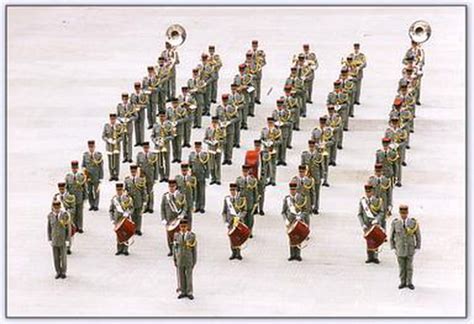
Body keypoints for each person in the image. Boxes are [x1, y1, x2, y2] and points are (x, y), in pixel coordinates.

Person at [390, 205, 421, 290]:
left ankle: (409, 282)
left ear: (407, 213)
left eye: (405, 213)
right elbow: (391, 236)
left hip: (410, 248)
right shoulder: (395, 223)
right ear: (400, 213)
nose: (403, 215)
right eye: (402, 213)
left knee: (409, 267)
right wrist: (393, 247)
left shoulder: (413, 223)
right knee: (402, 267)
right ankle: (402, 282)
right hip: (399, 248)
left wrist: (417, 246)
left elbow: (418, 235)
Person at [282, 183, 310, 262]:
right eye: (291, 190)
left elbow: (305, 210)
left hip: (298, 221)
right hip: (290, 221)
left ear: (296, 190)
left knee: (298, 236)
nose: (292, 191)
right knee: (291, 237)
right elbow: (283, 212)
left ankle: (298, 254)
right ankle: (292, 255)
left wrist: (300, 216)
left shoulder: (301, 198)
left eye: (294, 190)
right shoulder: (287, 199)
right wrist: (286, 220)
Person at [357, 184, 385, 264]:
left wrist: (377, 219)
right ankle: (369, 257)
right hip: (366, 224)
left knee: (375, 239)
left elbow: (381, 212)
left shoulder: (378, 200)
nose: (368, 193)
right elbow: (359, 214)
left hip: (375, 223)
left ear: (372, 192)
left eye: (369, 192)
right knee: (369, 240)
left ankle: (375, 257)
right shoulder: (362, 201)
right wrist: (362, 224)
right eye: (367, 192)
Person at [222, 183, 247, 260]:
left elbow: (244, 211)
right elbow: (224, 212)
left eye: (234, 190)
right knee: (232, 237)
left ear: (237, 190)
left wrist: (239, 216)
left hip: (239, 221)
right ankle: (233, 252)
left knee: (238, 237)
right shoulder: (227, 199)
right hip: (230, 222)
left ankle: (238, 253)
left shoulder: (241, 199)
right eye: (231, 190)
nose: (233, 191)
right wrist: (225, 221)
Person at [162, 180, 187, 256]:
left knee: (178, 235)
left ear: (176, 186)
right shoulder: (165, 196)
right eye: (170, 187)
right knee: (170, 236)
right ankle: (171, 250)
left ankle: (179, 250)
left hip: (178, 219)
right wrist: (163, 218)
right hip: (169, 219)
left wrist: (182, 215)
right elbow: (162, 208)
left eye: (173, 187)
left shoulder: (181, 196)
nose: (171, 188)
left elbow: (185, 207)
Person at [173, 218, 197, 300]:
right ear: (179, 227)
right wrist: (175, 258)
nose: (183, 228)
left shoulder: (192, 236)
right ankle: (182, 291)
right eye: (181, 226)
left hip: (188, 258)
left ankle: (189, 291)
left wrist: (194, 260)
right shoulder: (176, 235)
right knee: (181, 275)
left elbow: (194, 250)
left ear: (187, 227)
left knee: (189, 276)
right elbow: (175, 248)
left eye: (185, 226)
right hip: (180, 258)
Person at [47, 200, 70, 279]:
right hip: (54, 239)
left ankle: (63, 272)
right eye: (55, 208)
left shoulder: (64, 215)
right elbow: (49, 228)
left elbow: (68, 229)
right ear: (53, 208)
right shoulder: (50, 216)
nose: (56, 210)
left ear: (60, 207)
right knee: (56, 258)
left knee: (63, 258)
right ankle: (58, 272)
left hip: (62, 239)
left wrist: (67, 240)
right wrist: (50, 239)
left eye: (58, 208)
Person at [109, 183, 133, 256]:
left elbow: (131, 208)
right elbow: (111, 210)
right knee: (119, 234)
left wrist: (128, 213)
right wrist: (112, 219)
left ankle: (125, 249)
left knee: (126, 233)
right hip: (117, 219)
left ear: (123, 190)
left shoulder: (127, 198)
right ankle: (119, 249)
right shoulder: (114, 199)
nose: (119, 191)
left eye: (120, 190)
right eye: (118, 190)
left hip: (125, 218)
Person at [52, 182, 76, 254]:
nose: (61, 190)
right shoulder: (56, 197)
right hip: (58, 217)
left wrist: (68, 213)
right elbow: (52, 207)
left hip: (67, 217)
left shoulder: (70, 196)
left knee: (69, 232)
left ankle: (68, 247)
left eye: (62, 189)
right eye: (60, 189)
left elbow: (73, 207)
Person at [124, 165, 148, 236]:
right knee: (132, 215)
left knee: (139, 215)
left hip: (138, 200)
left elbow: (144, 191)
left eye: (134, 172)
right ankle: (133, 229)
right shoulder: (127, 180)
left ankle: (138, 229)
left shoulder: (140, 180)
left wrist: (145, 200)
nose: (133, 173)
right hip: (131, 201)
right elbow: (125, 190)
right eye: (132, 172)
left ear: (136, 171)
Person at [236, 165, 258, 237]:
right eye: (243, 171)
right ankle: (244, 231)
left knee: (250, 218)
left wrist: (255, 202)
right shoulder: (239, 180)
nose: (245, 173)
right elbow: (237, 191)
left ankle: (250, 231)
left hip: (250, 201)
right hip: (242, 202)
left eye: (246, 171)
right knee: (243, 217)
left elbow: (255, 191)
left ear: (248, 171)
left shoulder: (252, 180)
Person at [151, 112, 174, 182]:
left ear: (165, 117)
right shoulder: (156, 125)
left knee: (167, 161)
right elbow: (152, 136)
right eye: (161, 116)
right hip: (158, 146)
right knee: (159, 161)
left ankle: (167, 176)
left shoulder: (168, 125)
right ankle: (161, 176)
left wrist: (164, 139)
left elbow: (172, 136)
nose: (162, 118)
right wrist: (155, 141)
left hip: (166, 145)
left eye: (163, 116)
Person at [65, 160, 87, 234]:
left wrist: (85, 197)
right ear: (71, 168)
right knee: (73, 213)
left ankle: (80, 227)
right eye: (73, 168)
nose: (74, 169)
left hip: (79, 196)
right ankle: (73, 227)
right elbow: (66, 188)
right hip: (71, 198)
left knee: (80, 212)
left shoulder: (81, 176)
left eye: (76, 168)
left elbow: (84, 187)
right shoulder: (68, 176)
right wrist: (66, 197)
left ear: (77, 168)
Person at [301, 140, 323, 214]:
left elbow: (321, 167)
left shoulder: (319, 155)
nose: (311, 148)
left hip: (316, 175)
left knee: (316, 192)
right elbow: (302, 166)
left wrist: (322, 177)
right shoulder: (305, 154)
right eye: (310, 146)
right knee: (308, 192)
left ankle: (316, 208)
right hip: (308, 176)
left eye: (312, 146)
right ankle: (309, 207)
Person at [216, 94, 239, 165]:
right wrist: (219, 123)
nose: (225, 102)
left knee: (229, 144)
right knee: (224, 144)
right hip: (222, 129)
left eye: (226, 101)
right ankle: (224, 158)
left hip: (230, 128)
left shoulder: (232, 108)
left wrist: (230, 122)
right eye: (223, 101)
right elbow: (216, 118)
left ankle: (229, 158)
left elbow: (237, 118)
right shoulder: (219, 108)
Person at [81, 140, 104, 211]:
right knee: (89, 191)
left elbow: (101, 167)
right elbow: (83, 165)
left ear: (94, 147)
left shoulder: (98, 155)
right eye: (90, 147)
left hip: (96, 176)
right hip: (88, 177)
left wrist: (101, 177)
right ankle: (91, 204)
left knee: (96, 191)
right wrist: (84, 172)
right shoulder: (85, 155)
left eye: (92, 147)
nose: (91, 148)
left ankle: (96, 205)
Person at [188, 142, 209, 213]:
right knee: (196, 191)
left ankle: (202, 206)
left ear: (201, 148)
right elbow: (190, 164)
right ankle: (197, 206)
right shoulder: (192, 155)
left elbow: (207, 166)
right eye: (196, 147)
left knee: (202, 192)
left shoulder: (204, 155)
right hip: (194, 175)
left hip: (201, 175)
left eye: (198, 147)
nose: (197, 149)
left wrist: (206, 175)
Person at [136, 142, 157, 213]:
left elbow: (155, 167)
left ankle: (150, 207)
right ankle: (145, 207)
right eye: (144, 148)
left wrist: (155, 177)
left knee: (150, 192)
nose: (146, 149)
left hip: (150, 176)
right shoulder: (139, 155)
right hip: (142, 177)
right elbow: (137, 166)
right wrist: (138, 176)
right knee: (144, 192)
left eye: (147, 148)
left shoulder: (153, 155)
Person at [204, 116, 225, 185]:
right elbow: (204, 139)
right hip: (211, 149)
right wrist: (210, 142)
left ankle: (218, 178)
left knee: (218, 164)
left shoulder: (221, 130)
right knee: (211, 164)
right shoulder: (208, 129)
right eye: (213, 122)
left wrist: (219, 142)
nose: (214, 124)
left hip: (218, 148)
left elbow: (224, 140)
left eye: (216, 122)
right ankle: (213, 178)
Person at [102, 113, 123, 181]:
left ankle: (116, 175)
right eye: (111, 119)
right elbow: (103, 136)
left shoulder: (119, 126)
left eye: (114, 119)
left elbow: (122, 136)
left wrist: (117, 141)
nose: (112, 121)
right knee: (110, 161)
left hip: (116, 146)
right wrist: (108, 140)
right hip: (109, 146)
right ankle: (111, 175)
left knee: (116, 161)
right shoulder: (106, 126)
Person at [117, 92, 137, 163]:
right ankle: (125, 157)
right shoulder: (119, 106)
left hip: (129, 126)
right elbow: (117, 116)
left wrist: (129, 119)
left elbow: (136, 116)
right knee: (124, 142)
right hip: (122, 126)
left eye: (126, 99)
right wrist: (121, 119)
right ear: (122, 99)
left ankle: (129, 157)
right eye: (123, 99)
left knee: (129, 142)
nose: (125, 100)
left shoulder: (131, 106)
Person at [175, 163, 196, 227]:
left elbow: (194, 190)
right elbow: (176, 190)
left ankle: (189, 228)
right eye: (183, 170)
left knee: (189, 215)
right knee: (180, 214)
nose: (184, 172)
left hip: (189, 199)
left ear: (187, 170)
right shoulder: (177, 178)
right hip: (181, 200)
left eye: (185, 170)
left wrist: (194, 200)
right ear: (181, 170)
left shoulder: (191, 178)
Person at [166, 98, 186, 163]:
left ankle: (179, 157)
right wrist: (169, 123)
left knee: (179, 144)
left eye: (176, 103)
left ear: (178, 103)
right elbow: (167, 119)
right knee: (173, 144)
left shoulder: (181, 109)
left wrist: (177, 122)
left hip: (179, 129)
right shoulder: (169, 110)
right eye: (173, 103)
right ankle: (175, 157)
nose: (174, 104)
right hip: (172, 129)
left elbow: (185, 118)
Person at [130, 81, 148, 146]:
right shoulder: (132, 95)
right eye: (136, 87)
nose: (137, 88)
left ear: (140, 87)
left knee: (141, 126)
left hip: (141, 111)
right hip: (135, 112)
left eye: (138, 87)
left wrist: (140, 106)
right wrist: (133, 108)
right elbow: (131, 104)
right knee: (136, 126)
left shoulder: (143, 94)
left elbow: (146, 104)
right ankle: (137, 141)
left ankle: (142, 141)